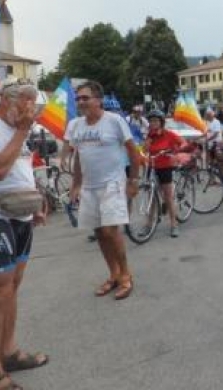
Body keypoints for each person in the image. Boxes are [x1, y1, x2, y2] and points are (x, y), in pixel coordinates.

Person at [0, 78, 48, 390]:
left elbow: (20, 167)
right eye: (25, 102)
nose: (30, 109)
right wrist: (23, 130)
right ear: (6, 102)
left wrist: (37, 200)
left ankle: (9, 352)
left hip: (20, 214)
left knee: (11, 288)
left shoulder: (16, 129)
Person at [65, 80, 140, 301]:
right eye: (78, 98)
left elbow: (133, 152)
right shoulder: (76, 125)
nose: (80, 102)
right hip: (89, 187)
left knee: (110, 231)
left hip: (113, 184)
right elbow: (79, 156)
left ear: (98, 100)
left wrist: (133, 180)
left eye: (85, 98)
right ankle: (114, 274)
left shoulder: (114, 121)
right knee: (98, 233)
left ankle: (126, 274)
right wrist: (76, 184)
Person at [144, 110, 187, 238]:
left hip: (165, 167)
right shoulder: (150, 136)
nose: (153, 123)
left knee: (168, 197)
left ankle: (174, 224)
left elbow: (183, 143)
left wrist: (174, 150)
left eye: (156, 121)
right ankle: (148, 225)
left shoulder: (169, 134)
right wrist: (145, 145)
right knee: (151, 197)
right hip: (152, 167)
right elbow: (144, 150)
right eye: (151, 121)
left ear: (161, 122)